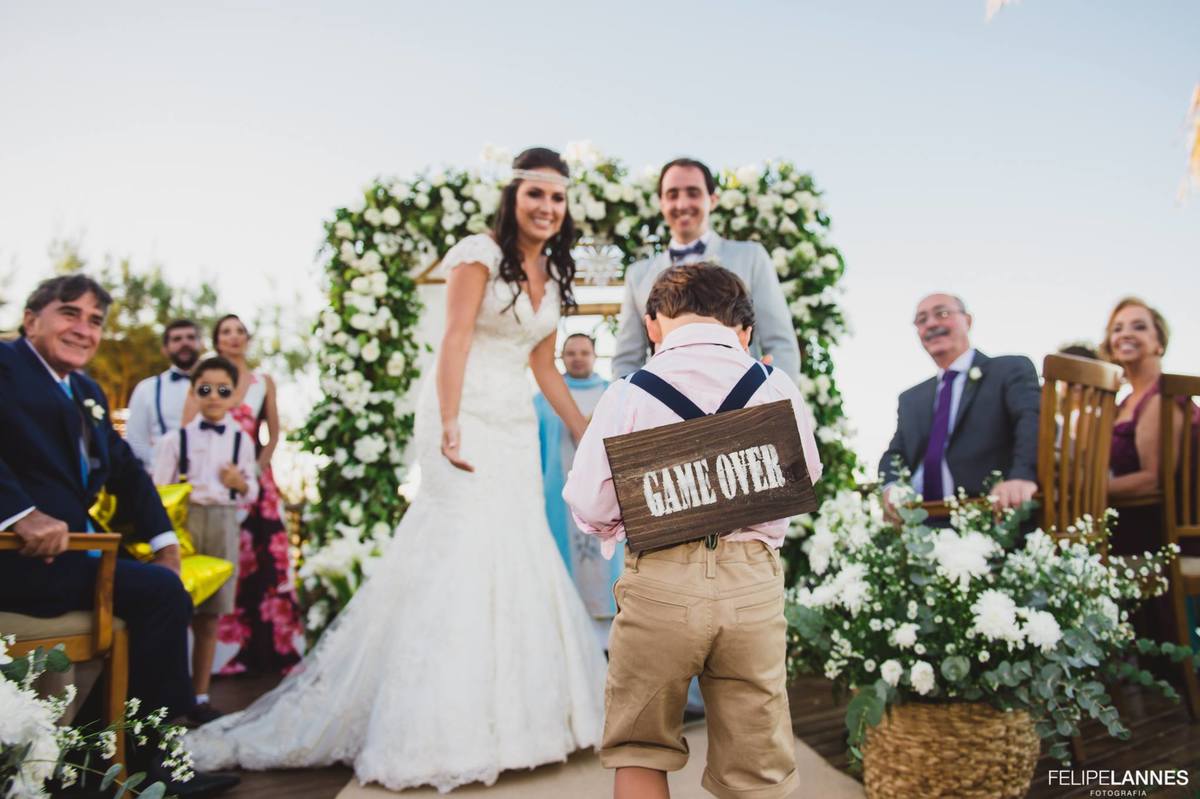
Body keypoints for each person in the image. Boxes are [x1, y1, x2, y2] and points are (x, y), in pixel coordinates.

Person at [185, 148, 607, 792]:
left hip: (516, 429)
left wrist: (583, 429)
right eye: (535, 196)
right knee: (459, 551)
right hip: (460, 414)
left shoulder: (552, 270)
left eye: (557, 197)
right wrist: (448, 421)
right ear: (513, 197)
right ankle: (439, 725)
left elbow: (544, 365)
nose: (547, 209)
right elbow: (456, 338)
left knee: (517, 548)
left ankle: (530, 721)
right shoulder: (478, 253)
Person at [564, 262, 822, 799]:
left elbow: (589, 497)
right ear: (745, 330)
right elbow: (805, 472)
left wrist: (624, 519)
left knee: (640, 747)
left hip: (659, 581)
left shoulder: (629, 390)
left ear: (653, 324)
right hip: (751, 585)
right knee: (757, 762)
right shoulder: (774, 384)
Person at [0, 275, 238, 797]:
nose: (84, 329)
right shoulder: (5, 366)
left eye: (95, 321)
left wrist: (165, 543)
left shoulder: (85, 391)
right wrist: (17, 514)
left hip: (80, 558)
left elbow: (128, 473)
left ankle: (96, 760)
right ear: (31, 319)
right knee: (159, 595)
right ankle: (156, 764)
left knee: (157, 581)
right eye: (69, 313)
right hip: (18, 561)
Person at [183, 314, 303, 675]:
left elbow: (273, 434)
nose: (233, 338)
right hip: (212, 486)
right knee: (221, 561)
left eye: (239, 332)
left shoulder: (262, 382)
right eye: (225, 332)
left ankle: (268, 653)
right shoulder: (207, 382)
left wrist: (254, 470)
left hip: (254, 483)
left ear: (247, 339)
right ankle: (215, 659)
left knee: (264, 563)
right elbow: (188, 430)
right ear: (217, 340)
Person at [611, 157, 801, 383]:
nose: (682, 204)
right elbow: (626, 359)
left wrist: (772, 403)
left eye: (693, 193)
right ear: (661, 203)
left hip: (742, 407)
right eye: (672, 195)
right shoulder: (638, 275)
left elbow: (781, 344)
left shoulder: (751, 257)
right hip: (663, 410)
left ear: (712, 199)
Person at [152, 356, 259, 724]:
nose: (214, 396)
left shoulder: (241, 441)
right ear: (194, 392)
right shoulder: (173, 440)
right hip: (185, 525)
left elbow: (252, 490)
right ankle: (168, 696)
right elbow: (158, 491)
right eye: (205, 389)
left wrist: (239, 483)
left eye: (223, 390)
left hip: (224, 523)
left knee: (210, 617)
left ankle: (199, 696)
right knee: (174, 610)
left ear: (234, 396)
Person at [879, 293, 1040, 512]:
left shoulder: (1009, 369)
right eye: (922, 320)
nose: (932, 323)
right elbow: (895, 454)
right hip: (920, 520)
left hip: (985, 511)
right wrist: (892, 487)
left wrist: (1021, 477)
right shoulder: (911, 398)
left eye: (942, 314)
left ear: (968, 320)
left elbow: (1032, 420)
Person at [533, 332, 618, 649]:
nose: (578, 357)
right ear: (561, 358)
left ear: (594, 356)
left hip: (606, 497)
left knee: (608, 565)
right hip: (558, 496)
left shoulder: (611, 394)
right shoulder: (543, 399)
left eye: (584, 352)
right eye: (570, 353)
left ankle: (608, 644)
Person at [126, 319, 201, 469]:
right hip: (162, 480)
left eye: (191, 338)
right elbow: (136, 440)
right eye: (177, 339)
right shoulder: (146, 389)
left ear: (201, 344)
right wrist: (161, 466)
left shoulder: (217, 389)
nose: (184, 343)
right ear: (165, 349)